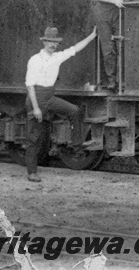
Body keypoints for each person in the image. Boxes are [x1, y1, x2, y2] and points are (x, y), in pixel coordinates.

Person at [25, 26, 97, 182]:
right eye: (50, 42)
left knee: (74, 111)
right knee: (34, 138)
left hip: (49, 96)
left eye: (55, 42)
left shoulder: (57, 57)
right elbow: (29, 85)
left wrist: (92, 36)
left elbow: (75, 48)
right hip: (35, 99)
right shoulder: (35, 60)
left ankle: (77, 145)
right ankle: (31, 172)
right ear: (44, 42)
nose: (53, 45)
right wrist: (36, 108)